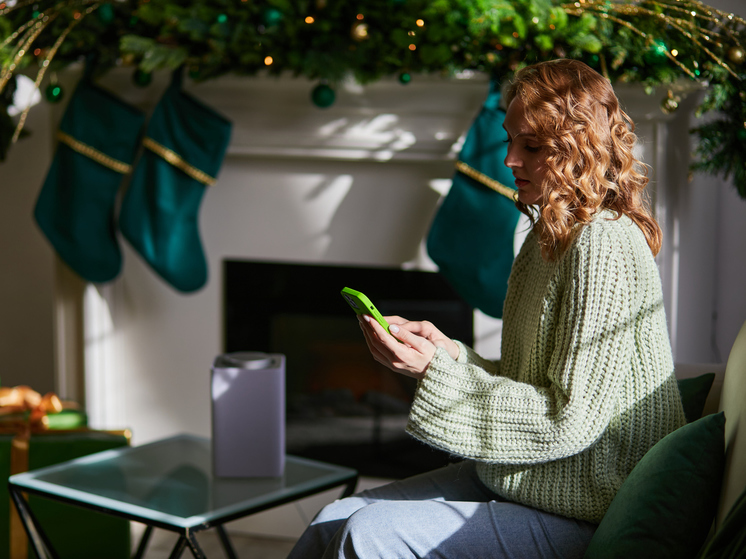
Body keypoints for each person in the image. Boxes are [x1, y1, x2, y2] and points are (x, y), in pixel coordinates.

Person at [287, 58, 687, 559]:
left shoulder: (603, 244)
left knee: (366, 534)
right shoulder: (548, 237)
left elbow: (570, 420)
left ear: (577, 148)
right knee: (332, 519)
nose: (509, 161)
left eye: (532, 146)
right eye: (510, 140)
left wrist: (437, 374)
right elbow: (527, 382)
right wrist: (445, 353)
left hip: (587, 505)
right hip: (535, 480)